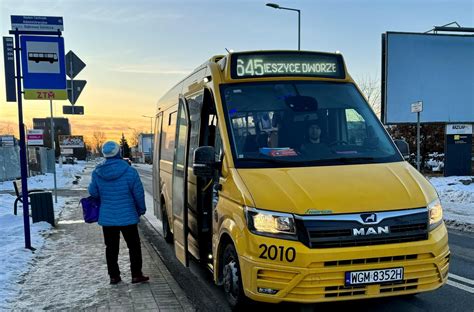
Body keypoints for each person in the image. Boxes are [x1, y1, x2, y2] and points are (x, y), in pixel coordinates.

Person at [88, 141, 149, 285]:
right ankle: (136, 274)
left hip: (108, 217)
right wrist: (141, 209)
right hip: (128, 216)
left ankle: (114, 276)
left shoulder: (97, 172)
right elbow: (138, 193)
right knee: (134, 246)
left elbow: (93, 192)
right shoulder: (129, 171)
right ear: (119, 152)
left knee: (111, 248)